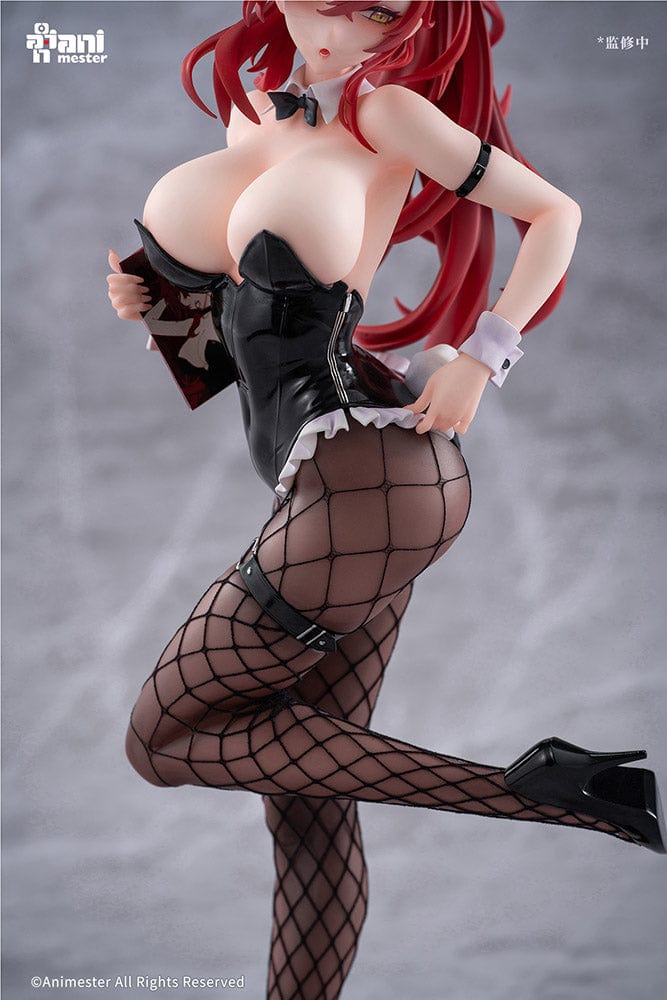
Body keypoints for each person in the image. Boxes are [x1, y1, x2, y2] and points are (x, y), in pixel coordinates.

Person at [107, 3, 665, 997]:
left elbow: (556, 214)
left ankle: (546, 791)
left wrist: (485, 357)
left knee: (161, 740)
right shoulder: (254, 106)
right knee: (307, 808)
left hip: (364, 479)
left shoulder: (389, 112)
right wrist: (159, 304)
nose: (342, 20)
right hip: (344, 484)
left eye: (379, 7)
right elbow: (248, 341)